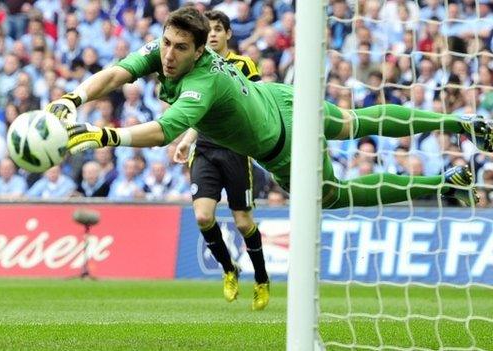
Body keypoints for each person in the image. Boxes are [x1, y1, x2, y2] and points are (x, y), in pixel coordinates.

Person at [45, 0, 489, 273]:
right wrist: (74, 96)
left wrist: (107, 135)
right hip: (281, 97)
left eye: (180, 48)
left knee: (330, 196)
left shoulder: (204, 81)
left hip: (282, 144)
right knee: (353, 123)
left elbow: (163, 131)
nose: (168, 54)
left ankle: (443, 185)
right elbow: (118, 72)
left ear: (201, 51)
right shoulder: (165, 52)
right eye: (165, 43)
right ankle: (462, 124)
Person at [172, 10, 270, 311]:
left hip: (236, 151)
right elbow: (196, 110)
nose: (213, 34)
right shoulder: (196, 69)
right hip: (205, 149)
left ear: (228, 33)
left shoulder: (243, 65)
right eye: (209, 30)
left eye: (218, 29)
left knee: (242, 222)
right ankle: (230, 269)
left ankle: (262, 279)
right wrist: (187, 140)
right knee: (202, 216)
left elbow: (257, 102)